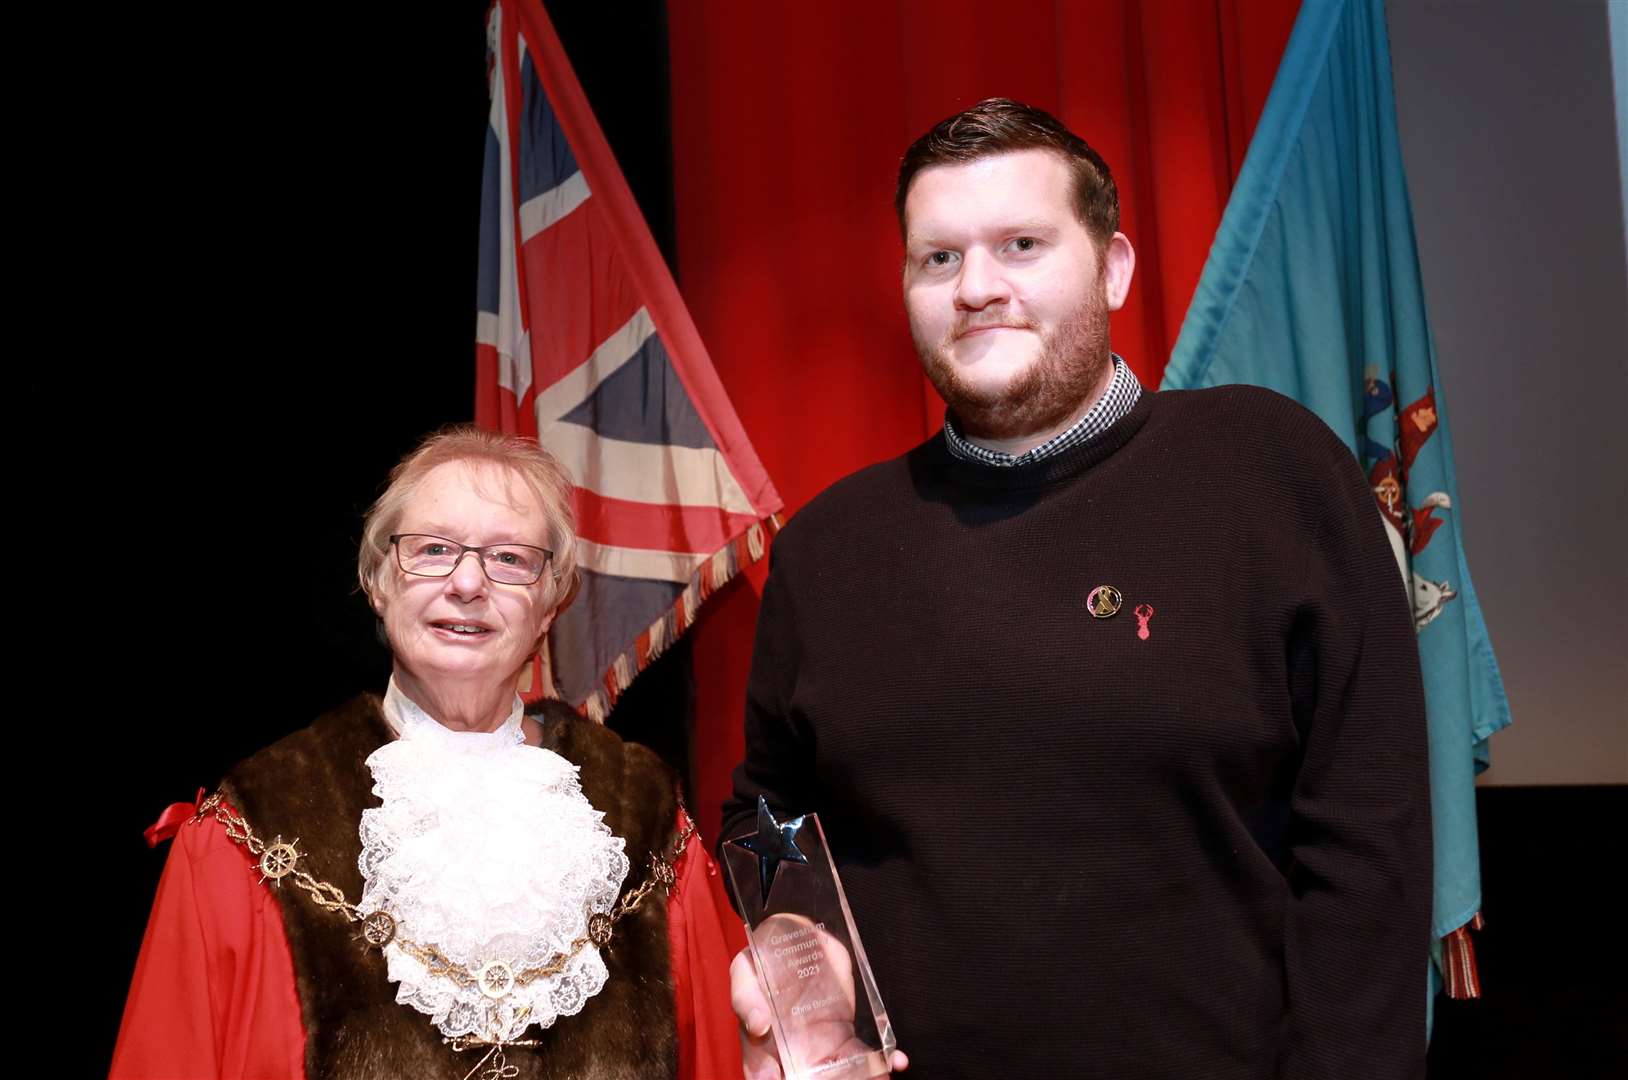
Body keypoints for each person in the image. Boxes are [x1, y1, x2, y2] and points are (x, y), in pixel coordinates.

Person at [723, 99, 1430, 1079]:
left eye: (1019, 244)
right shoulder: (830, 547)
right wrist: (803, 967)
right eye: (937, 258)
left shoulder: (1269, 473)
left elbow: (1368, 851)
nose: (975, 287)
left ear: (1111, 267)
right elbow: (766, 824)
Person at [114, 427, 743, 1080]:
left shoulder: (644, 820)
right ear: (379, 581)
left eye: (509, 559)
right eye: (433, 550)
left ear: (550, 602)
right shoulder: (252, 825)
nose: (468, 582)